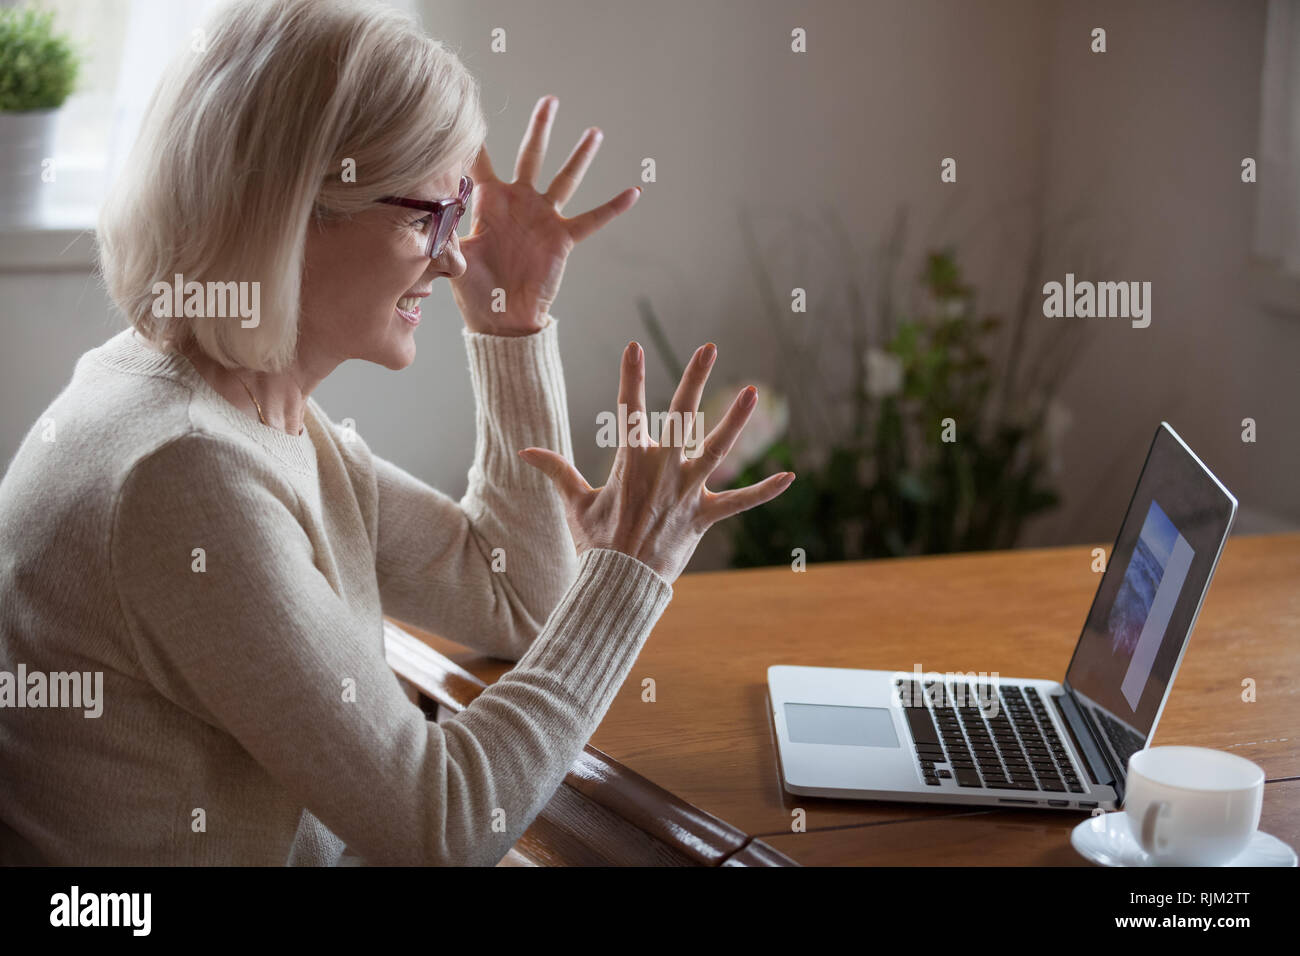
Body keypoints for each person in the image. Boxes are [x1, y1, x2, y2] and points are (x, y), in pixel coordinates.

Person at [0, 0, 793, 865]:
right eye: (430, 217)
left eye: (462, 213)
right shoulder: (184, 472)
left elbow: (518, 601)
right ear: (292, 211)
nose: (453, 257)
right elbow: (443, 828)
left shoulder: (237, 407)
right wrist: (631, 570)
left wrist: (509, 323)